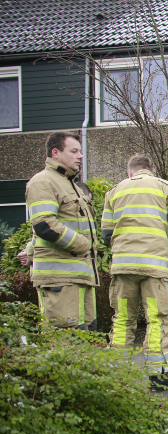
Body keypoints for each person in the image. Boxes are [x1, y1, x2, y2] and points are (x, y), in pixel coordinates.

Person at [101, 155, 168, 392]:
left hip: (123, 268)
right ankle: (158, 377)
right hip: (154, 268)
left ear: (130, 172)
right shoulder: (166, 187)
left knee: (122, 320)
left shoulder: (114, 191)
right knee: (157, 319)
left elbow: (106, 235)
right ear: (150, 170)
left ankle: (117, 377)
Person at [25, 132, 99, 330]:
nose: (80, 156)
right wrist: (83, 246)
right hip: (60, 281)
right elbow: (44, 225)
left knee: (88, 343)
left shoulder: (68, 184)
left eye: (80, 151)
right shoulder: (43, 182)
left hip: (79, 278)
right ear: (55, 153)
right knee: (67, 341)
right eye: (74, 151)